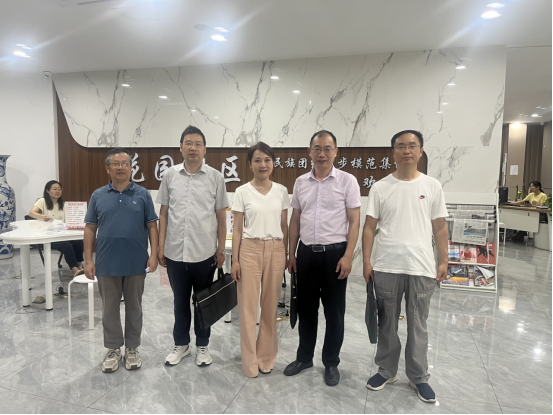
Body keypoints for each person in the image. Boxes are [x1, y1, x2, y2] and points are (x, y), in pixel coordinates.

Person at [362, 130, 449, 403]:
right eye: (401, 146)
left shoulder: (432, 186)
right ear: (393, 153)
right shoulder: (380, 187)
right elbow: (369, 227)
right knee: (387, 321)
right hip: (387, 265)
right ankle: (386, 371)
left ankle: (419, 376)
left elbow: (440, 227)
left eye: (412, 146)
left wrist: (444, 260)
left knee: (418, 324)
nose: (407, 151)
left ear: (421, 151)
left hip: (421, 267)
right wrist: (366, 261)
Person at [284, 130, 361, 387]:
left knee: (334, 313)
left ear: (336, 152)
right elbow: (295, 219)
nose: (322, 154)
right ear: (310, 152)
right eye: (317, 148)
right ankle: (304, 358)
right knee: (306, 310)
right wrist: (291, 253)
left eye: (328, 149)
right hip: (306, 254)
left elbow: (354, 221)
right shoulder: (300, 182)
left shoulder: (347, 181)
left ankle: (331, 362)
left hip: (335, 255)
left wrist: (348, 255)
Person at [157, 125, 229, 368]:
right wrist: (160, 247)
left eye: (198, 144)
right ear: (181, 147)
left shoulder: (216, 177)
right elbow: (164, 214)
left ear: (205, 149)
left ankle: (203, 346)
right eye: (188, 143)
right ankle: (181, 344)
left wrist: (220, 249)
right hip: (175, 252)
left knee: (203, 302)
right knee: (180, 303)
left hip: (204, 253)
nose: (193, 148)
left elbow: (221, 217)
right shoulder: (170, 175)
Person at [84, 148, 159, 374]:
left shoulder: (143, 194)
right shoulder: (98, 195)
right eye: (115, 164)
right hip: (107, 262)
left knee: (135, 308)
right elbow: (90, 228)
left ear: (131, 168)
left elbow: (152, 226)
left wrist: (154, 254)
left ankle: (132, 348)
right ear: (107, 168)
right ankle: (113, 348)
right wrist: (88, 259)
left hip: (136, 262)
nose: (120, 167)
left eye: (125, 163)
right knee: (109, 310)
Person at [231, 142, 290, 378]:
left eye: (267, 160)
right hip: (249, 249)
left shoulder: (281, 191)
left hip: (275, 248)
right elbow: (237, 228)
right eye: (257, 160)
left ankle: (266, 357)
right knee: (247, 309)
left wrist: (285, 253)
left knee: (270, 307)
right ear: (250, 164)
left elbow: (284, 225)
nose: (262, 164)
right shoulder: (242, 192)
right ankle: (249, 362)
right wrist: (235, 260)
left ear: (273, 163)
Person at [29, 180, 85, 277]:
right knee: (67, 245)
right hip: (48, 236)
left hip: (61, 234)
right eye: (54, 189)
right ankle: (74, 269)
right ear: (47, 190)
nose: (57, 191)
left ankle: (80, 266)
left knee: (78, 242)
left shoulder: (62, 204)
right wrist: (42, 217)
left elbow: (67, 220)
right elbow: (31, 213)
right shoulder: (42, 201)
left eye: (59, 189)